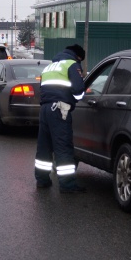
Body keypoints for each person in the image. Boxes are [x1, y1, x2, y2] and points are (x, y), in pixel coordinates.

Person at [34, 44, 87, 193]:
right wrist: (76, 99)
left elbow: (42, 89)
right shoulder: (72, 64)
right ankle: (67, 185)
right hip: (60, 109)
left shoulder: (50, 67)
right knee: (63, 146)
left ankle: (42, 180)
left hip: (45, 108)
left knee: (44, 147)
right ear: (78, 57)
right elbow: (78, 90)